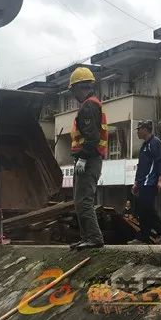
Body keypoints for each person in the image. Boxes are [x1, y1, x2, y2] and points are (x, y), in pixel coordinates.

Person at [68, 66, 107, 250]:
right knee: (79, 201)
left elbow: (92, 137)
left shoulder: (89, 106)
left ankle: (93, 237)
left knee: (84, 201)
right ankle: (86, 237)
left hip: (89, 159)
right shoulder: (92, 104)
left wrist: (83, 157)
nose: (73, 95)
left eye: (73, 90)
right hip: (88, 158)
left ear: (79, 87)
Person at [129, 121, 161, 245]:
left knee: (147, 208)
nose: (137, 132)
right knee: (142, 210)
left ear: (146, 129)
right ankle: (144, 237)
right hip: (142, 182)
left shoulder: (155, 143)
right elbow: (141, 166)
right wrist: (136, 182)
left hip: (151, 181)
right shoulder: (144, 146)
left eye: (139, 129)